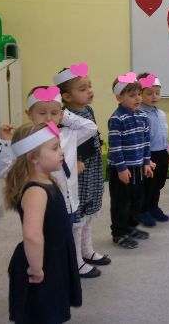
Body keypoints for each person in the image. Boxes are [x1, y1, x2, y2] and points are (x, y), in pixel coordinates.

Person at [0, 84, 98, 277]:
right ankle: (42, 270)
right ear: (29, 114)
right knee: (44, 240)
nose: (49, 118)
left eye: (54, 113)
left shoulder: (69, 134)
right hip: (43, 205)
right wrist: (6, 143)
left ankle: (68, 268)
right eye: (42, 113)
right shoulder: (28, 141)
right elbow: (1, 171)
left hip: (69, 202)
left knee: (66, 239)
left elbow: (91, 127)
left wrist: (63, 115)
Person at [5, 122, 81, 323]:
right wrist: (36, 268)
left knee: (52, 309)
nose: (61, 152)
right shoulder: (36, 192)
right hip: (41, 261)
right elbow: (32, 235)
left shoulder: (47, 181)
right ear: (34, 158)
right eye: (55, 148)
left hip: (53, 257)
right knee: (41, 313)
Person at [56, 64, 111, 270]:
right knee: (77, 212)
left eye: (89, 86)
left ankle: (87, 250)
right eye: (82, 89)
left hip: (93, 166)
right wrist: (76, 159)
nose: (89, 91)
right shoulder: (64, 117)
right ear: (67, 97)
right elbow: (65, 142)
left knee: (89, 208)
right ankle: (76, 260)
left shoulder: (88, 110)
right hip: (78, 169)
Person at [107, 73, 153, 249]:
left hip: (138, 167)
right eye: (132, 95)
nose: (138, 98)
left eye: (139, 94)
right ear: (119, 97)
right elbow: (115, 146)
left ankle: (131, 227)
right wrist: (121, 168)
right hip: (122, 169)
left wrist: (147, 162)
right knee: (121, 202)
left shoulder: (143, 117)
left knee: (136, 199)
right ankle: (119, 233)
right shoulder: (116, 119)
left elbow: (146, 142)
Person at [137, 72, 169, 226]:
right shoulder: (140, 114)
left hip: (162, 153)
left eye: (157, 93)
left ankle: (154, 206)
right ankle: (143, 210)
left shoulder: (161, 113)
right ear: (140, 94)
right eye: (149, 93)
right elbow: (140, 139)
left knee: (158, 184)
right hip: (148, 155)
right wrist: (145, 159)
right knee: (147, 185)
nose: (154, 96)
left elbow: (165, 134)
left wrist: (167, 152)